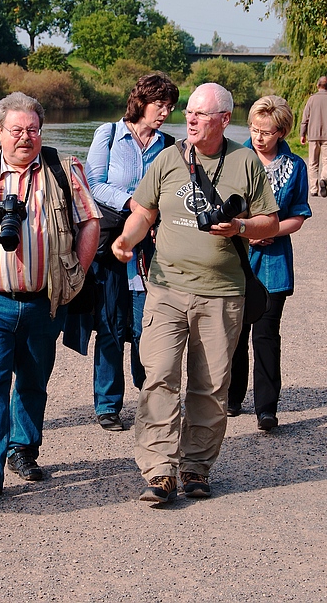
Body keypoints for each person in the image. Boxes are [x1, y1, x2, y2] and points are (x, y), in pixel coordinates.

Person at [112, 83, 280, 504]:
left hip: (222, 294)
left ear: (224, 119)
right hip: (166, 289)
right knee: (160, 378)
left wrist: (240, 227)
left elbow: (271, 223)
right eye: (188, 111)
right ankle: (159, 471)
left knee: (209, 386)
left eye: (201, 114)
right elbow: (144, 213)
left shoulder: (245, 162)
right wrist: (127, 240)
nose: (189, 118)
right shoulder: (169, 158)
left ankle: (196, 468)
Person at [0, 92, 100, 498]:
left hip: (46, 299)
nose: (25, 137)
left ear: (40, 132)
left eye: (32, 130)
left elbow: (91, 221)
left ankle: (23, 448)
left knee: (33, 379)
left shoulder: (63, 169)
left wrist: (74, 272)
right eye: (16, 130)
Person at [79, 73, 179, 432]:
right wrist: (134, 202)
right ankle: (107, 404)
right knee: (109, 325)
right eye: (159, 105)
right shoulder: (108, 135)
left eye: (170, 106)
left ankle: (148, 396)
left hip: (150, 247)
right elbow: (93, 184)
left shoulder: (169, 145)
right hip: (110, 244)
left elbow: (174, 189)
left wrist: (152, 214)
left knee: (144, 326)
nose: (165, 112)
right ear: (141, 102)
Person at [228, 96, 312, 430]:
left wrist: (271, 230)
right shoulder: (235, 158)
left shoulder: (296, 167)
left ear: (281, 131)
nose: (259, 136)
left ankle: (266, 406)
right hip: (236, 255)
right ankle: (232, 399)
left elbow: (299, 215)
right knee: (234, 332)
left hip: (274, 259)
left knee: (266, 333)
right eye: (254, 128)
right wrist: (248, 232)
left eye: (266, 131)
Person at [300, 76, 327, 198]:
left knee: (313, 163)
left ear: (318, 85)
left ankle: (313, 189)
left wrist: (302, 134)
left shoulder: (311, 99)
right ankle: (323, 178)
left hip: (313, 135)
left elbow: (305, 118)